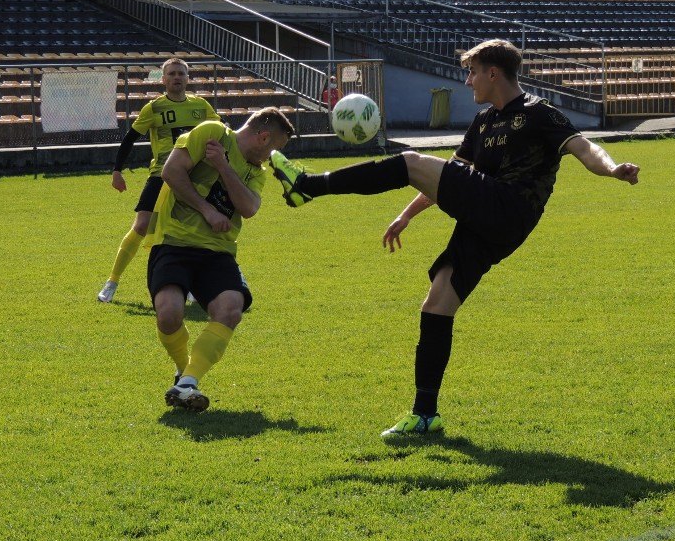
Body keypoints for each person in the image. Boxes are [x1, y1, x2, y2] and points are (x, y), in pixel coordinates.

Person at [269, 38, 640, 437]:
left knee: (411, 161)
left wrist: (613, 168)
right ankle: (425, 414)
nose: (468, 81)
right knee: (437, 303)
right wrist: (406, 214)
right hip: (486, 222)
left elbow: (585, 148)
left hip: (507, 206)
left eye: (472, 72)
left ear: (493, 73)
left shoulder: (538, 113)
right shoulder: (482, 123)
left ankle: (309, 184)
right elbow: (446, 179)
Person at [148, 107, 296, 411]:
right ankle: (183, 370)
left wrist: (224, 167)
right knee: (168, 314)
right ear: (264, 137)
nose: (271, 157)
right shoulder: (212, 133)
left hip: (218, 252)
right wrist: (207, 209)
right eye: (274, 149)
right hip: (174, 242)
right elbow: (171, 172)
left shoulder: (256, 171)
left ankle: (187, 382)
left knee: (230, 309)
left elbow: (249, 207)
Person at [97, 58, 219, 304]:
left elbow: (220, 134)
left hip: (194, 178)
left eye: (181, 74)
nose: (177, 77)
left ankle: (196, 285)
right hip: (161, 175)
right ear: (163, 79)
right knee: (141, 226)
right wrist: (117, 170)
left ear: (188, 78)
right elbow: (130, 138)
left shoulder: (202, 106)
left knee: (195, 231)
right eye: (172, 73)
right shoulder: (154, 108)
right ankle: (112, 281)